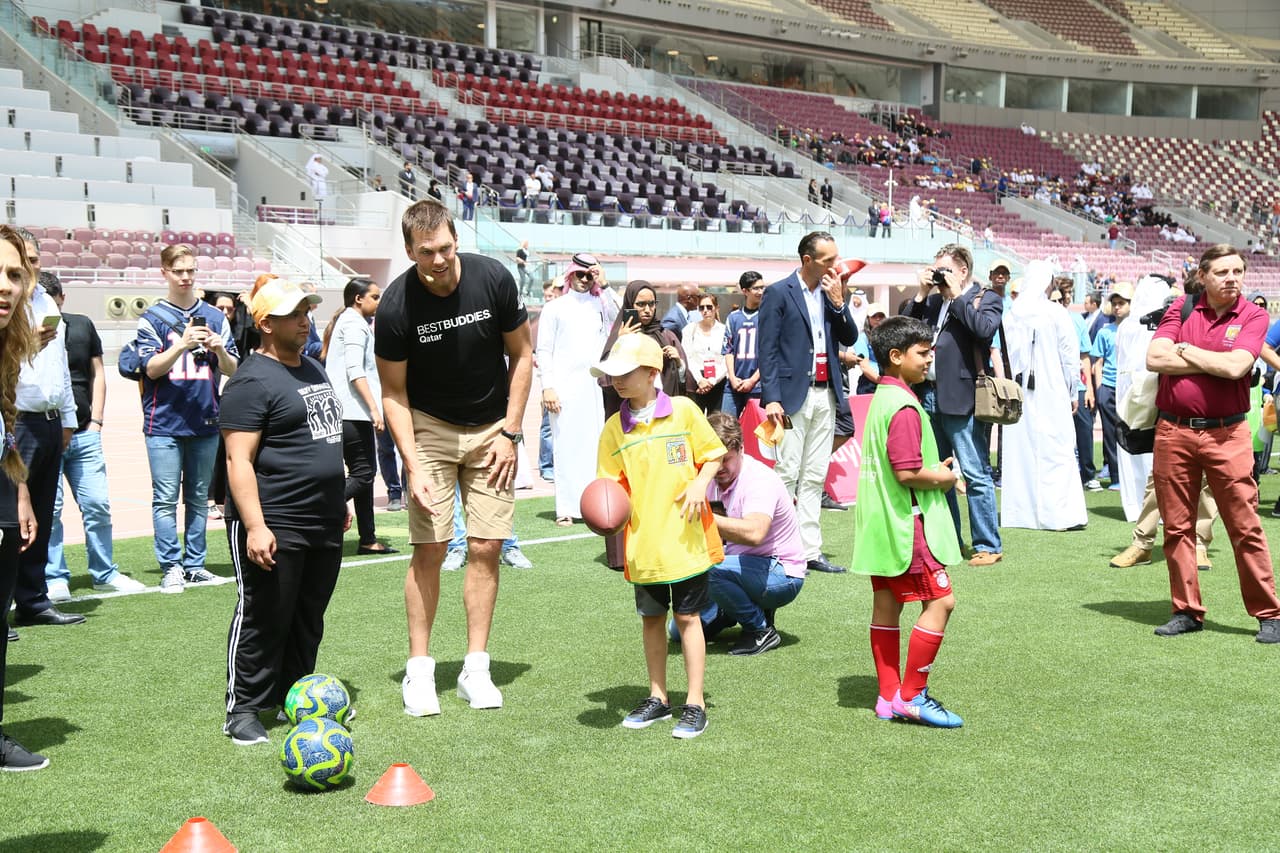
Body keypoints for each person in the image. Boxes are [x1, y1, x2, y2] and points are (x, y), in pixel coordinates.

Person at [375, 200, 533, 715]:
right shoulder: (396, 306)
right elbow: (393, 394)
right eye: (426, 252)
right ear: (409, 251)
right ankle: (419, 672)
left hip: (492, 430)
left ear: (456, 240)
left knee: (487, 547)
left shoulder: (494, 279)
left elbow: (522, 355)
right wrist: (413, 464)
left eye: (444, 248)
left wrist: (511, 433)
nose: (438, 260)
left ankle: (475, 668)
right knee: (432, 548)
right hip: (431, 431)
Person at [220, 277, 347, 745]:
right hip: (275, 518)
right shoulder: (250, 380)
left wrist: (338, 499)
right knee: (265, 614)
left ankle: (296, 698)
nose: (305, 320)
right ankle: (245, 709)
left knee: (308, 616)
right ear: (265, 324)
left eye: (307, 312)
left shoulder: (313, 367)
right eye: (295, 314)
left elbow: (322, 437)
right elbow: (238, 460)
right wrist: (254, 525)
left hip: (324, 518)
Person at [592, 334, 725, 739]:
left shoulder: (684, 411)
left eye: (624, 373)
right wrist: (601, 513)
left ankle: (695, 702)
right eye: (611, 375)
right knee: (652, 619)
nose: (615, 381)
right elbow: (607, 488)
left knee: (688, 617)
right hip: (644, 544)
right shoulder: (614, 429)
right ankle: (658, 697)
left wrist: (702, 481)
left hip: (686, 540)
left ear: (652, 374)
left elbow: (714, 454)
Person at [1147, 244, 1280, 643]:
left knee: (1245, 526)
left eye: (1238, 271)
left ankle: (1269, 613)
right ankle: (1186, 610)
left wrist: (1185, 351)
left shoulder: (1254, 314)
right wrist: (1213, 358)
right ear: (1203, 275)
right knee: (1177, 526)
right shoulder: (1182, 308)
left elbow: (1238, 366)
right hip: (1174, 431)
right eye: (1222, 272)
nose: (1232, 279)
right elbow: (1155, 357)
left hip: (1228, 434)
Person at [851, 315, 963, 728]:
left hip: (881, 524)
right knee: (941, 602)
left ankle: (887, 696)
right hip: (907, 524)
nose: (929, 358)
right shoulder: (903, 406)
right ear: (895, 357)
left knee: (887, 604)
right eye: (922, 352)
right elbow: (907, 472)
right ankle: (913, 696)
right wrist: (945, 476)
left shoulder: (882, 397)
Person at [134, 244, 239, 593]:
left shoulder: (216, 317)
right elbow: (148, 368)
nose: (185, 277)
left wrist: (219, 348)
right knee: (165, 497)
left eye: (191, 270)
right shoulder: (151, 318)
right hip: (163, 422)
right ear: (164, 272)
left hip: (205, 420)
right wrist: (180, 345)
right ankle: (170, 566)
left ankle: (195, 564)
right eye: (179, 271)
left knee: (198, 497)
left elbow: (233, 369)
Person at [758, 231, 857, 574]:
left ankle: (810, 550)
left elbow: (850, 337)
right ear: (807, 260)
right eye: (828, 260)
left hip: (826, 391)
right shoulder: (778, 293)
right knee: (786, 472)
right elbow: (766, 350)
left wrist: (839, 303)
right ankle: (779, 545)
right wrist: (771, 398)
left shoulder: (832, 293)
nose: (835, 265)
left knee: (815, 474)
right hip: (790, 397)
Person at [42, 274, 144, 600]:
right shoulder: (28, 333)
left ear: (61, 298)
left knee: (97, 505)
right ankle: (54, 577)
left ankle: (104, 572)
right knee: (51, 510)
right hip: (46, 434)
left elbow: (97, 372)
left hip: (85, 432)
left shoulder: (82, 325)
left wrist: (97, 421)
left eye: (50, 298)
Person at [904, 243, 1003, 566]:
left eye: (944, 269)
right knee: (940, 473)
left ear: (962, 270)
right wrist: (920, 295)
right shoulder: (932, 302)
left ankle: (988, 544)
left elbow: (984, 330)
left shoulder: (985, 298)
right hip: (929, 394)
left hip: (965, 397)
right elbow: (903, 333)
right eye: (936, 269)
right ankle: (949, 539)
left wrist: (958, 296)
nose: (938, 275)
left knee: (975, 472)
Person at [678, 412, 805, 655]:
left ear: (741, 450)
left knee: (710, 566)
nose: (719, 468)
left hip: (781, 572)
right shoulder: (705, 476)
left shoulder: (758, 480)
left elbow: (755, 534)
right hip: (740, 568)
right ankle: (734, 606)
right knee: (678, 630)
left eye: (726, 459)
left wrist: (706, 519)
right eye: (713, 461)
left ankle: (760, 629)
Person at [10, 230, 81, 629]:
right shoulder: (7, 306)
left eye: (35, 259)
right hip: (15, 421)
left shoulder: (46, 301)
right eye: (24, 261)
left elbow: (61, 366)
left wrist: (68, 418)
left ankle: (33, 601)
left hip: (51, 422)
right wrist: (27, 344)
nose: (32, 267)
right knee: (9, 519)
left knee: (41, 515)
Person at [0, 224, 46, 769]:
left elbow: (5, 427)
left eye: (15, 274)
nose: (7, 286)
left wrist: (19, 493)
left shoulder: (6, 349)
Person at [1000, 261, 1087, 530]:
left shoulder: (1012, 314)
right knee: (1057, 446)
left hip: (1021, 388)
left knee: (1022, 448)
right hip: (1052, 388)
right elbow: (1069, 357)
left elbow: (1008, 355)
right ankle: (1060, 513)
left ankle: (1022, 514)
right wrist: (1073, 391)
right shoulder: (1055, 313)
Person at [535, 252, 613, 527]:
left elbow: (622, 319)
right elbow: (543, 349)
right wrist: (548, 387)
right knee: (565, 445)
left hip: (594, 387)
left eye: (588, 274)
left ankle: (594, 505)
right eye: (579, 274)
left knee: (595, 445)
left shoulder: (600, 304)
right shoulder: (555, 307)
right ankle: (566, 507)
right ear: (569, 275)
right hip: (564, 388)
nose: (584, 279)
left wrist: (604, 284)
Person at [324, 277, 396, 556]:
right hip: (352, 412)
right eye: (375, 297)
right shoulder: (354, 324)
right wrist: (375, 409)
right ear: (358, 299)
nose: (378, 302)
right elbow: (356, 371)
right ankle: (318, 505)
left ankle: (368, 538)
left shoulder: (350, 322)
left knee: (361, 474)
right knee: (365, 475)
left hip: (348, 412)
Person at [1091, 283, 1130, 488]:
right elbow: (1097, 362)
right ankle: (1116, 477)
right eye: (1114, 303)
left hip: (1129, 388)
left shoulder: (1136, 330)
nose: (1117, 307)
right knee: (1110, 432)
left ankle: (1130, 476)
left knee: (1130, 432)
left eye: (1121, 303)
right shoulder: (1105, 332)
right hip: (1108, 386)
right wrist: (1099, 390)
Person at [721, 271, 765, 416]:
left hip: (758, 386)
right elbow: (728, 351)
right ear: (745, 291)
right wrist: (732, 378)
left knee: (758, 432)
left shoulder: (768, 316)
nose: (760, 292)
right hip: (734, 385)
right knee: (726, 430)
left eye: (762, 287)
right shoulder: (733, 318)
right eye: (756, 288)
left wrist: (752, 380)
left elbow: (771, 354)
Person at [681, 291, 726, 414]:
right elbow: (687, 357)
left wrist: (712, 381)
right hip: (696, 379)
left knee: (716, 421)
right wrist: (700, 380)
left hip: (718, 380)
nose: (705, 310)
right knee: (695, 420)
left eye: (709, 307)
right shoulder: (689, 330)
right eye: (701, 308)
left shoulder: (724, 330)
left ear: (716, 308)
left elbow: (726, 359)